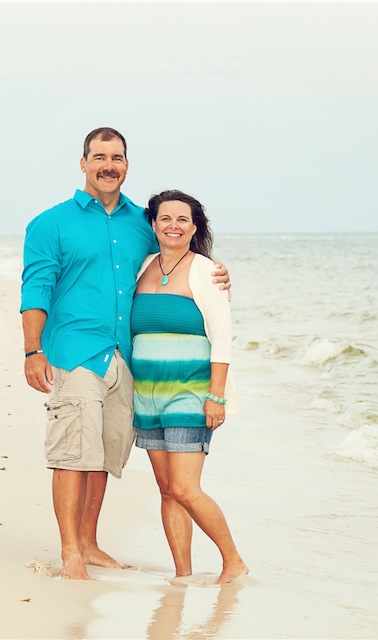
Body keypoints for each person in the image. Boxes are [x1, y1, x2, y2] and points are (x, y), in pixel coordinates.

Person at [19, 128, 229, 580]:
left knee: (105, 454)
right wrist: (33, 349)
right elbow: (35, 288)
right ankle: (71, 552)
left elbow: (177, 259)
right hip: (76, 352)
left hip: (128, 359)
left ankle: (91, 543)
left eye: (116, 157)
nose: (108, 164)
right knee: (73, 454)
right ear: (83, 163)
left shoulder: (141, 222)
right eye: (99, 156)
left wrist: (217, 271)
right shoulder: (50, 224)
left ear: (127, 165)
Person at [131, 189, 248, 584]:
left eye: (183, 219)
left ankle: (233, 560)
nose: (173, 226)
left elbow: (223, 338)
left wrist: (216, 397)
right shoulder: (142, 266)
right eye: (166, 218)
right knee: (166, 490)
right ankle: (183, 574)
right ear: (153, 224)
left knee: (185, 487)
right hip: (147, 395)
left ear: (194, 227)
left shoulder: (205, 270)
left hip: (190, 392)